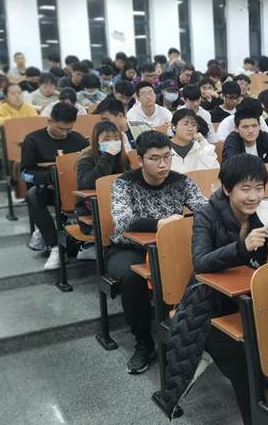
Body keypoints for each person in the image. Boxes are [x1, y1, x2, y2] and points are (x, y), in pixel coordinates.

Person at [189, 153, 268, 424]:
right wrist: (241, 247)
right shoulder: (206, 214)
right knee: (243, 359)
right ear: (227, 189)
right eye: (245, 189)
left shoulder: (263, 212)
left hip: (251, 299)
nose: (254, 196)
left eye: (259, 188)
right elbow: (200, 262)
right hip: (210, 304)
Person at [109, 131, 207, 374]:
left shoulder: (181, 181)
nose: (163, 164)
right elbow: (122, 221)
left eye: (167, 157)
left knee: (204, 264)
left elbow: (206, 210)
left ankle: (191, 332)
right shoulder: (124, 183)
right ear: (140, 159)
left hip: (170, 247)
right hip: (129, 248)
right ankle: (144, 342)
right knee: (132, 278)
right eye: (154, 158)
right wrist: (161, 223)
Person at [20, 103, 88, 269]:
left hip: (75, 189)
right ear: (50, 121)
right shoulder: (33, 139)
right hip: (49, 188)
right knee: (33, 195)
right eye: (60, 129)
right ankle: (55, 246)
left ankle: (88, 243)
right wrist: (47, 177)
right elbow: (24, 173)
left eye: (69, 129)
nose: (64, 133)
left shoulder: (77, 139)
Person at [76, 121, 130, 232]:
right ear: (97, 142)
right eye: (107, 139)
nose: (112, 143)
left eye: (116, 139)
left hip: (119, 204)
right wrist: (108, 156)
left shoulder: (122, 158)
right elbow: (89, 184)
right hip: (92, 208)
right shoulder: (86, 159)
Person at [169, 108, 218, 173]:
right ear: (173, 127)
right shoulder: (165, 147)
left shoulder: (200, 146)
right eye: (186, 124)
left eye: (194, 125)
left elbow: (215, 169)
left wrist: (203, 141)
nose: (190, 129)